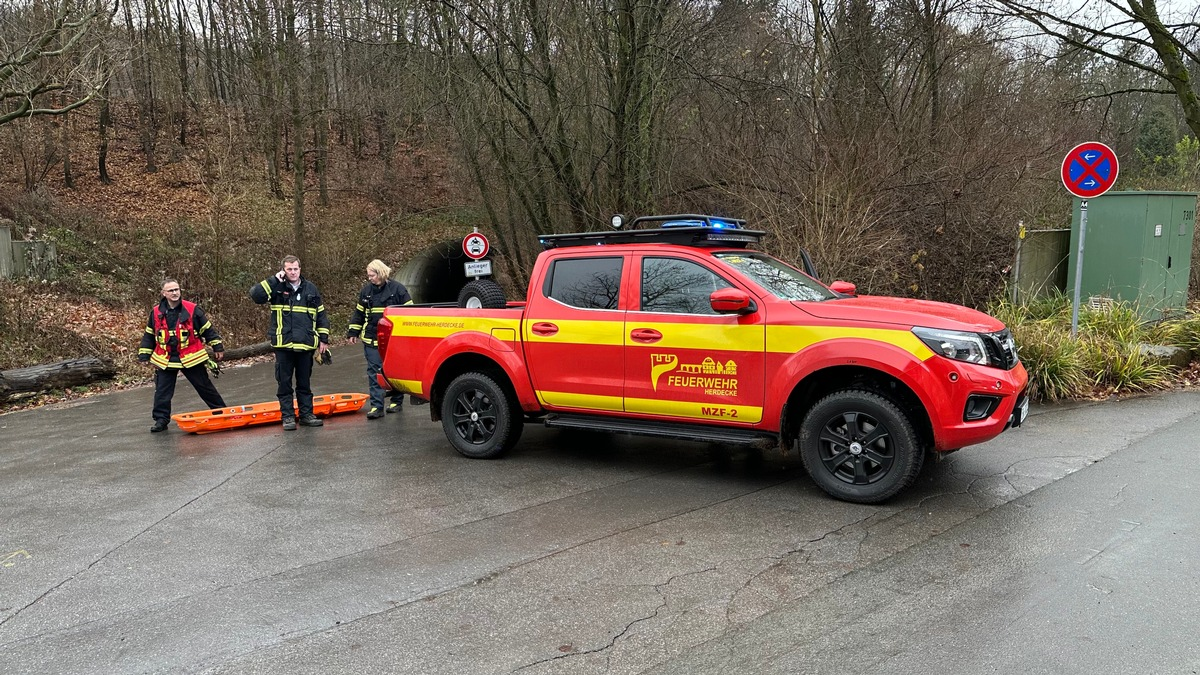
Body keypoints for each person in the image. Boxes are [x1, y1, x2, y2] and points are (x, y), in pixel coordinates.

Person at [249, 255, 331, 431]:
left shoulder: (311, 288)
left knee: (304, 384)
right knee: (284, 383)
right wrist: (273, 280)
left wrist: (323, 339)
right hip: (284, 345)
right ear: (283, 270)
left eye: (295, 269)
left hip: (305, 344)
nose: (293, 272)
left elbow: (321, 315)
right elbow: (256, 295)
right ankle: (287, 417)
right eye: (289, 269)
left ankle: (306, 415)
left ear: (300, 269)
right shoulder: (276, 287)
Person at [138, 278, 226, 433]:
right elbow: (149, 334)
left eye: (176, 289)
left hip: (190, 356)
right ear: (163, 293)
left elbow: (207, 329)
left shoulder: (192, 309)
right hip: (166, 358)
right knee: (162, 392)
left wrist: (217, 346)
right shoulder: (156, 312)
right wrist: (144, 354)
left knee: (204, 387)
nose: (175, 293)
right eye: (171, 290)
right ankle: (161, 420)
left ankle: (221, 413)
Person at [347, 259, 412, 419]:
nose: (370, 278)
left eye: (372, 275)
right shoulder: (366, 292)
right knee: (374, 372)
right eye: (368, 276)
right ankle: (377, 407)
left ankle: (396, 401)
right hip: (372, 339)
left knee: (394, 371)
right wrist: (353, 332)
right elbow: (359, 314)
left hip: (393, 341)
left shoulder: (398, 289)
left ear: (381, 273)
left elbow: (410, 312)